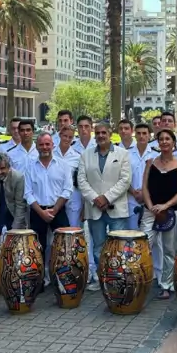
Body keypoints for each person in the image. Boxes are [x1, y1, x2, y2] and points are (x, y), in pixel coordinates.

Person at [77, 122, 132, 291]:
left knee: (118, 245)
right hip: (95, 208)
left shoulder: (122, 154)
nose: (101, 135)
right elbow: (81, 180)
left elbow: (125, 180)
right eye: (98, 133)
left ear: (110, 133)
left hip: (116, 207)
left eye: (104, 132)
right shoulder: (86, 155)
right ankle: (101, 279)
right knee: (98, 246)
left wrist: (107, 198)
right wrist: (95, 199)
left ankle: (119, 278)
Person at [142, 129, 177, 299]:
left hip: (171, 211)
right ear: (157, 143)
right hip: (150, 211)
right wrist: (151, 206)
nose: (164, 142)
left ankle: (166, 284)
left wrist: (166, 205)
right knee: (143, 245)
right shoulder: (150, 163)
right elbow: (145, 187)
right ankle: (142, 278)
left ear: (174, 143)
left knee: (169, 249)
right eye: (161, 139)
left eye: (168, 139)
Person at [24, 132, 72, 272]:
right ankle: (39, 278)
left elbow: (67, 190)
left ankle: (62, 276)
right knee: (37, 247)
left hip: (58, 210)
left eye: (47, 144)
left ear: (52, 145)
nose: (44, 147)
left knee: (64, 245)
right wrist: (41, 212)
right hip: (38, 211)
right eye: (41, 144)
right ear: (37, 146)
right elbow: (27, 193)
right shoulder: (30, 166)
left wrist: (55, 210)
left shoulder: (63, 165)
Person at [126, 123, 157, 231]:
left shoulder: (156, 155)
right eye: (138, 133)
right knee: (131, 236)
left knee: (149, 239)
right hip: (130, 199)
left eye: (144, 133)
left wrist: (145, 194)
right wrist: (134, 192)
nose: (141, 136)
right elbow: (123, 177)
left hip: (150, 200)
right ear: (135, 135)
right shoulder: (126, 154)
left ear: (149, 135)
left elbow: (158, 180)